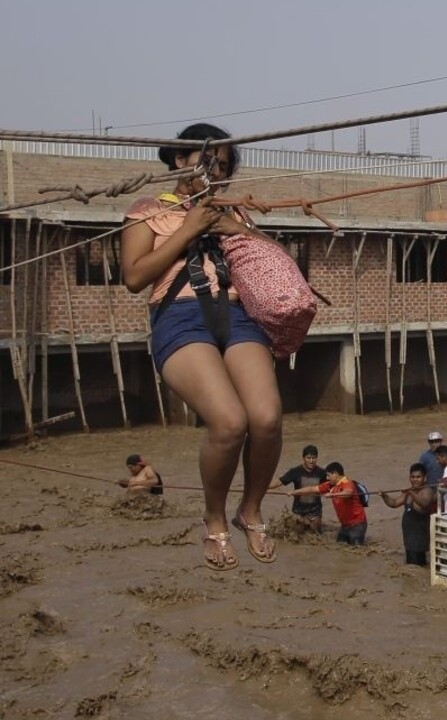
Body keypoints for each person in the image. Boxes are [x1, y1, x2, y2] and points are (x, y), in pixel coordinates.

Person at [120, 123, 280, 571]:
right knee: (230, 422)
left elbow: (273, 261)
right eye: (208, 161)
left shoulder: (235, 213)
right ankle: (213, 518)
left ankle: (250, 509)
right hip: (180, 316)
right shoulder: (149, 208)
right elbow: (134, 277)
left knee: (266, 418)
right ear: (179, 160)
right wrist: (190, 228)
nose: (216, 172)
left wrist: (234, 226)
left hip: (238, 314)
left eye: (224, 166)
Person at [290, 462, 367, 546]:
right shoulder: (330, 485)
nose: (327, 478)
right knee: (341, 547)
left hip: (357, 524)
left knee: (356, 549)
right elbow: (313, 489)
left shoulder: (347, 483)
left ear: (335, 474)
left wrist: (332, 494)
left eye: (328, 475)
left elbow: (348, 493)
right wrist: (294, 492)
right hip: (345, 525)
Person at [380, 463, 434, 566]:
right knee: (410, 566)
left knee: (418, 566)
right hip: (408, 539)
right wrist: (384, 496)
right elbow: (394, 503)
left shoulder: (427, 491)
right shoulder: (409, 491)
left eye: (418, 477)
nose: (415, 480)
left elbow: (424, 503)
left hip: (420, 539)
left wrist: (411, 492)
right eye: (412, 477)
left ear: (424, 477)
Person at [269, 445, 325, 533]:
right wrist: (261, 487)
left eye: (314, 458)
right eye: (308, 458)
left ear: (317, 458)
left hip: (315, 511)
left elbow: (332, 486)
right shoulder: (295, 471)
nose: (311, 461)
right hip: (298, 510)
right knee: (297, 534)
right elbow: (279, 482)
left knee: (315, 533)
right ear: (303, 458)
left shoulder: (322, 473)